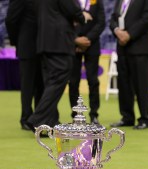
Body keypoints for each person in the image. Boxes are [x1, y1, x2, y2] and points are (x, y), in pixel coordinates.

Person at [25, 0, 92, 131]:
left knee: (50, 82)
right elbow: (72, 9)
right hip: (59, 42)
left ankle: (49, 121)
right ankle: (37, 119)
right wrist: (82, 16)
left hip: (45, 42)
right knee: (57, 80)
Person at [109, 0, 148, 130]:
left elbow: (147, 18)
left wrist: (129, 35)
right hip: (122, 47)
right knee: (124, 84)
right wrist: (116, 30)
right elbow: (114, 18)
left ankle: (144, 118)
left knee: (142, 85)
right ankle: (127, 117)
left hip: (140, 47)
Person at [5, 0, 44, 131]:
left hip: (44, 46)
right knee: (28, 85)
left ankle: (39, 117)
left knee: (41, 84)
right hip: (27, 45)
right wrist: (17, 40)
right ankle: (26, 118)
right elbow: (10, 19)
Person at [68, 0, 106, 125]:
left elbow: (101, 22)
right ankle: (75, 115)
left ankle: (94, 115)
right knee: (73, 81)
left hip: (92, 45)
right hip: (74, 44)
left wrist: (87, 39)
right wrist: (76, 39)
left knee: (93, 81)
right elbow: (66, 20)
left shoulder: (97, 1)